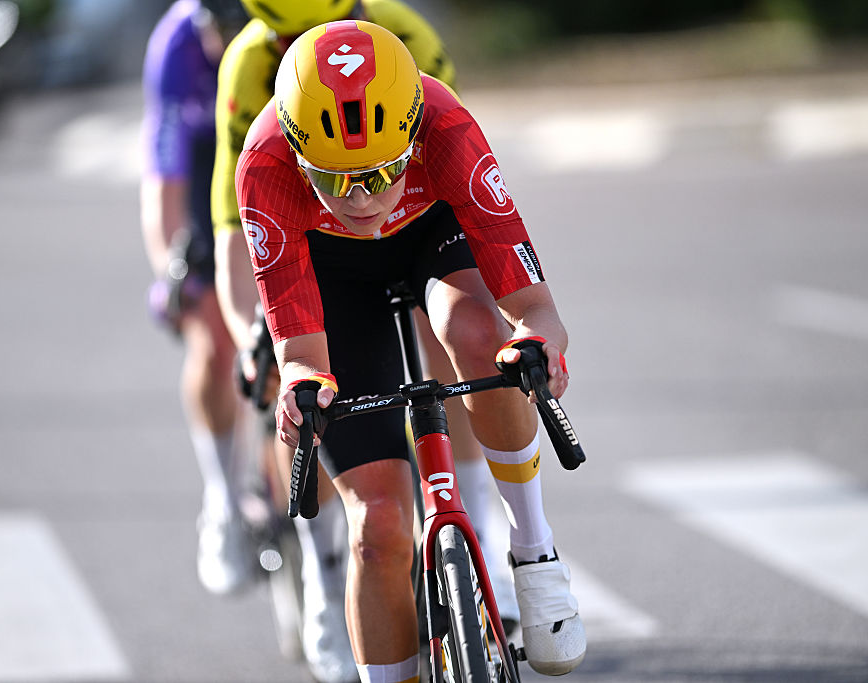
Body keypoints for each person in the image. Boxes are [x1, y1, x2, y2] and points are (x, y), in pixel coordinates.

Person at [233, 19, 587, 681]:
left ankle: (535, 551)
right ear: (298, 154)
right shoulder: (265, 162)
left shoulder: (447, 127)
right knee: (380, 528)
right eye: (334, 179)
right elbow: (304, 353)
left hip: (431, 238)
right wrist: (301, 387)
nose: (362, 197)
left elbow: (535, 309)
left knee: (484, 337)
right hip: (329, 273)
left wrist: (539, 345)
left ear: (413, 132)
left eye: (381, 172)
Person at [140, 0, 252, 598]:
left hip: (273, 160)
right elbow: (164, 178)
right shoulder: (174, 47)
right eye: (215, 27)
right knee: (212, 343)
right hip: (207, 163)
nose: (221, 41)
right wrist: (172, 272)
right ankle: (224, 499)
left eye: (234, 28)